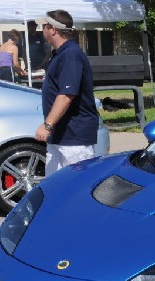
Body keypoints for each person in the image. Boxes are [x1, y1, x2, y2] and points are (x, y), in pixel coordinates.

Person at [34, 10, 99, 176]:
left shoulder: (71, 55)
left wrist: (47, 125)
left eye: (44, 26)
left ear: (53, 29)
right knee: (55, 186)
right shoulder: (60, 53)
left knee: (78, 186)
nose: (42, 30)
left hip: (74, 137)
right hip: (60, 135)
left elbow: (66, 95)